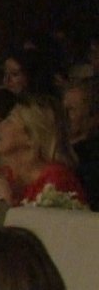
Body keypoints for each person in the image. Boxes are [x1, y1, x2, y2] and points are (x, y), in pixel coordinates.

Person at [0, 95, 87, 207]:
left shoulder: (57, 180)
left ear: (32, 137)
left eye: (9, 121)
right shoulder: (5, 176)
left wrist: (4, 199)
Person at [63, 79, 99, 209]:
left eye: (71, 109)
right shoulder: (58, 149)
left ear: (94, 117)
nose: (64, 115)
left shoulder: (92, 161)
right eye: (62, 108)